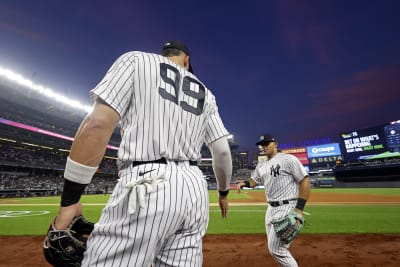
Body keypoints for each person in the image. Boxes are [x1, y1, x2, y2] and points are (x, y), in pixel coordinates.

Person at [50, 40, 232, 266]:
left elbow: (97, 124)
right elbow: (222, 152)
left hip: (147, 183)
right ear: (187, 60)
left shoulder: (136, 60)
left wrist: (70, 201)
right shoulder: (207, 94)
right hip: (195, 191)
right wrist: (223, 193)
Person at [237, 133, 310, 267]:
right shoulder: (262, 165)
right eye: (261, 145)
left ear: (275, 144)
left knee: (277, 249)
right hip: (270, 209)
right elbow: (254, 180)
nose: (263, 147)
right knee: (278, 248)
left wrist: (299, 209)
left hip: (287, 206)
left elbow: (304, 180)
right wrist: (245, 183)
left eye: (266, 144)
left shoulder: (288, 159)